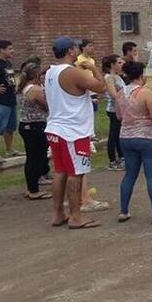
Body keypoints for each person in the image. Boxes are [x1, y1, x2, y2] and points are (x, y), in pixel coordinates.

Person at [45, 36, 106, 229]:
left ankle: (57, 213)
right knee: (76, 173)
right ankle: (76, 216)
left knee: (60, 171)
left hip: (56, 127)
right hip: (73, 130)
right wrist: (94, 68)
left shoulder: (50, 72)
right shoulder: (72, 72)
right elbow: (100, 87)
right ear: (71, 51)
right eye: (75, 48)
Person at [115, 61, 152, 224]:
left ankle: (124, 210)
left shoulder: (120, 93)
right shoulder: (145, 92)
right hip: (147, 137)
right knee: (151, 175)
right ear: (141, 75)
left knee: (129, 174)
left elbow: (119, 116)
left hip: (126, 137)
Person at [17, 62, 51, 200]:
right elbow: (46, 106)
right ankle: (34, 189)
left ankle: (31, 187)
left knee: (31, 158)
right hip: (35, 125)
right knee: (37, 158)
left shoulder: (24, 87)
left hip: (26, 124)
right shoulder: (35, 89)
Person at [102, 54, 125, 170]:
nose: (122, 65)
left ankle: (121, 157)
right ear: (112, 65)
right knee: (114, 134)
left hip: (121, 108)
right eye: (119, 63)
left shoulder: (118, 77)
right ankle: (112, 160)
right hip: (113, 109)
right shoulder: (109, 77)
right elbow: (113, 94)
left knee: (119, 134)